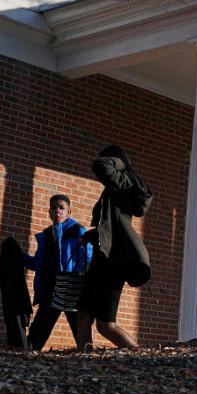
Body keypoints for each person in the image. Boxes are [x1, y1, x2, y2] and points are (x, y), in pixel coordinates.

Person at [75, 144, 153, 351]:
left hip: (112, 260)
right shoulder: (121, 186)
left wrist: (120, 161)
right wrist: (92, 235)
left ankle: (138, 356)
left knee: (103, 323)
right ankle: (84, 359)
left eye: (109, 158)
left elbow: (100, 165)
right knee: (89, 317)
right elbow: (114, 222)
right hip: (109, 257)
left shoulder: (125, 181)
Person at [23, 194, 92, 351]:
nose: (57, 211)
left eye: (61, 208)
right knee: (40, 326)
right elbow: (38, 264)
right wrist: (19, 257)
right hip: (50, 287)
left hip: (71, 287)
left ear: (69, 212)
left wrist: (81, 279)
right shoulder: (47, 235)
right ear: (49, 212)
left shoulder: (77, 231)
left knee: (78, 326)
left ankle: (87, 357)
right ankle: (28, 354)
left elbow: (87, 257)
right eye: (53, 208)